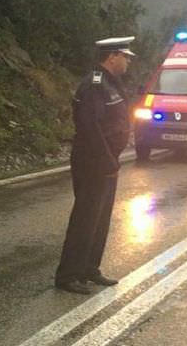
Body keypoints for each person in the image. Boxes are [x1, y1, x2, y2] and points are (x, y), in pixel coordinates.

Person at [55, 36, 135, 294]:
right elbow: (90, 127)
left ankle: (89, 268)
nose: (128, 61)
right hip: (93, 160)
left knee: (100, 217)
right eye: (125, 56)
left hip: (107, 160)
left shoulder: (112, 84)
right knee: (86, 217)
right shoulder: (94, 86)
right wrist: (106, 160)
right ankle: (68, 275)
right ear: (112, 56)